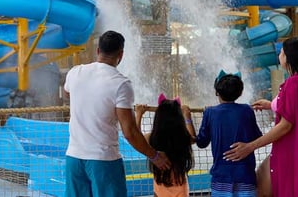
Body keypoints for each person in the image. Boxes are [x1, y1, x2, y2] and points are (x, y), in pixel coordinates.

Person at [64, 30, 171, 197]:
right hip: (103, 160)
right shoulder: (120, 84)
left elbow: (68, 93)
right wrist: (155, 156)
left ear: (98, 50)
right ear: (121, 55)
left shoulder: (75, 72)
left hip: (73, 158)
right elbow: (129, 132)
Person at [224, 37, 298, 197]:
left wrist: (250, 146)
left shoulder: (294, 84)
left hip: (290, 154)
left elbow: (286, 125)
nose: (279, 55)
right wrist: (271, 105)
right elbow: (296, 110)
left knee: (264, 188)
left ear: (288, 57)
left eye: (281, 52)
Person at [195, 71, 262, 197]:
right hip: (245, 176)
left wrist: (192, 119)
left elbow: (201, 142)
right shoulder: (247, 110)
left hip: (221, 177)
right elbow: (258, 137)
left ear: (217, 92)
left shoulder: (210, 112)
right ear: (240, 93)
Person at [135, 94, 196, 197]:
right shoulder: (182, 138)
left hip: (160, 187)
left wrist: (139, 114)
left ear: (158, 118)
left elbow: (136, 138)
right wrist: (187, 116)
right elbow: (193, 137)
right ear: (179, 119)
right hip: (181, 188)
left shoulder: (153, 138)